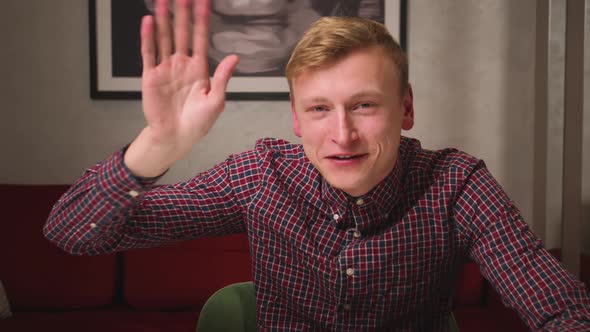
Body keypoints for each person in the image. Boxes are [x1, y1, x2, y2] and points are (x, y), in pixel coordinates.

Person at [45, 0, 590, 330]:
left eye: (365, 105)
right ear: (297, 120)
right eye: (320, 109)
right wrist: (157, 146)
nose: (342, 134)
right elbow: (72, 234)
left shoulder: (457, 183)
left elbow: (559, 309)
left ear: (406, 108)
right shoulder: (261, 175)